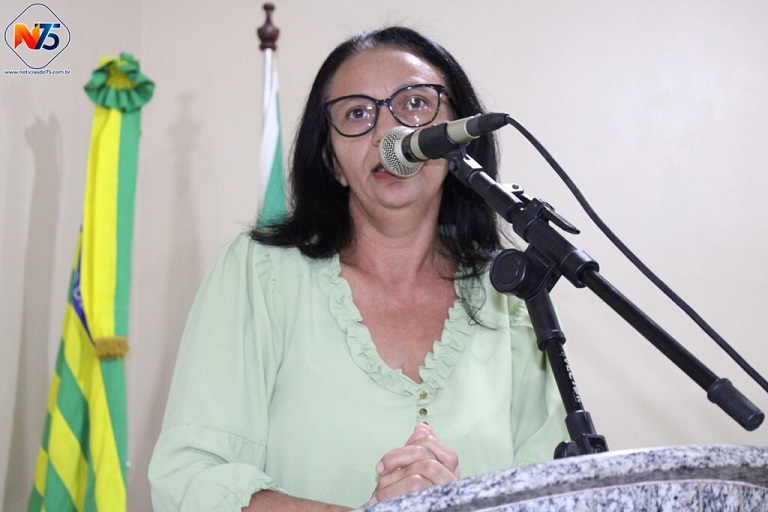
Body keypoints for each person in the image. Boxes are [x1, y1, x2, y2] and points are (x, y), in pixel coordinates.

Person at [149, 26, 568, 511]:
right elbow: (190, 479)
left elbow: (556, 488)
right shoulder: (261, 272)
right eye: (357, 113)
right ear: (332, 161)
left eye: (415, 103)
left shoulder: (510, 289)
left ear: (459, 137)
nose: (390, 133)